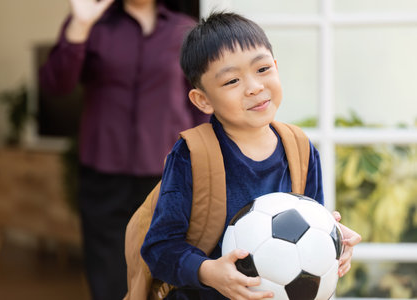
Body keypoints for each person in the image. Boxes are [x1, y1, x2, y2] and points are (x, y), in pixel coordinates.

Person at [141, 12, 362, 299]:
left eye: (262, 69)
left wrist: (331, 239)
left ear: (276, 67)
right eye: (232, 81)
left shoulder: (299, 148)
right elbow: (159, 250)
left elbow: (307, 230)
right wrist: (208, 271)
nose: (255, 87)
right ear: (203, 100)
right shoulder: (192, 155)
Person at [39, 0, 208, 299]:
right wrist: (80, 26)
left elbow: (200, 104)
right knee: (106, 269)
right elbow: (56, 84)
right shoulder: (92, 24)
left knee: (166, 267)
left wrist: (205, 156)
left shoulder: (184, 29)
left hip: (167, 174)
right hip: (104, 169)